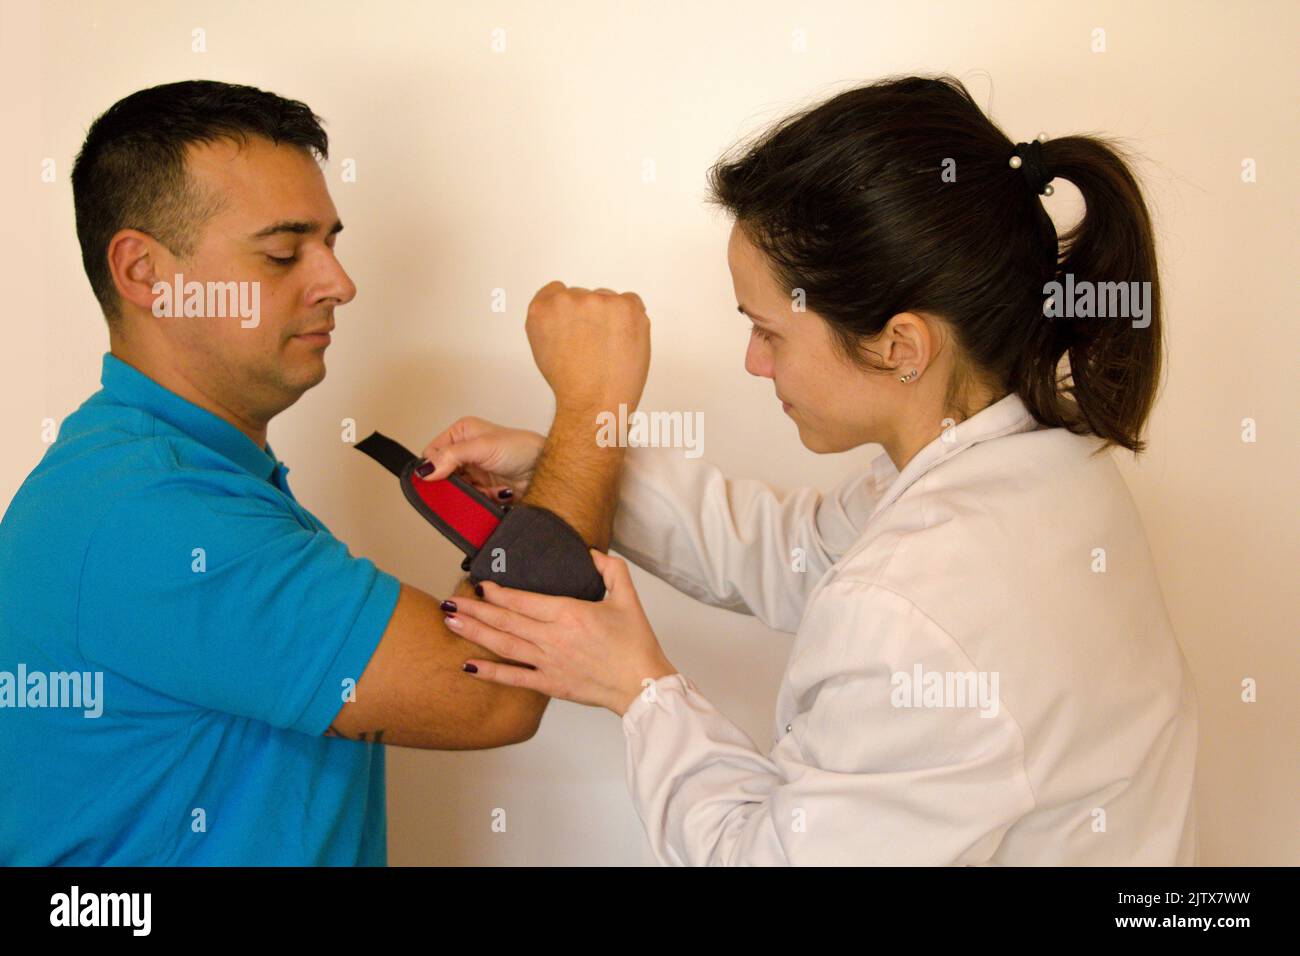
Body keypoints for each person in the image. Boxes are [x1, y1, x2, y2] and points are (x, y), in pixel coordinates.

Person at [424, 75, 1199, 865]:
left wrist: (640, 689)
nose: (753, 363)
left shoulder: (919, 604)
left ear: (901, 345)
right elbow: (794, 550)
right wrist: (567, 454)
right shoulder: (1042, 462)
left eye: (770, 333)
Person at [0, 80, 651, 865]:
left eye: (330, 243)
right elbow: (492, 696)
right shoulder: (155, 512)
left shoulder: (165, 471)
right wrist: (593, 405)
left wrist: (544, 488)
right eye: (282, 252)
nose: (338, 284)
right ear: (144, 274)